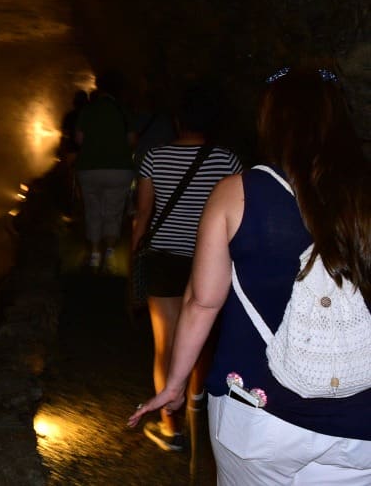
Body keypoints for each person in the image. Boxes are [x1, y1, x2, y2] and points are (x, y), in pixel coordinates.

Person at [128, 67, 371, 484]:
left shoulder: (238, 192)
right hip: (358, 426)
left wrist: (175, 383)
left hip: (258, 414)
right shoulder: (363, 197)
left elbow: (203, 302)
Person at [130, 85, 242, 454]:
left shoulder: (153, 158)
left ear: (178, 121)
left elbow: (143, 215)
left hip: (162, 258)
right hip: (207, 260)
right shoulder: (228, 161)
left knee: (166, 344)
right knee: (202, 340)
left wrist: (135, 259)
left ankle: (170, 427)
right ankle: (196, 409)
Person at [74, 71, 135, 271]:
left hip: (90, 168)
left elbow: (79, 140)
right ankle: (109, 255)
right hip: (119, 169)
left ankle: (93, 254)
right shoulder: (123, 111)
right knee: (113, 212)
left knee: (93, 210)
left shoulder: (88, 110)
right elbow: (132, 140)